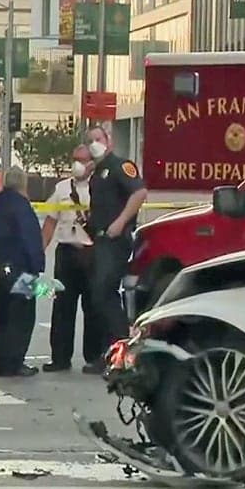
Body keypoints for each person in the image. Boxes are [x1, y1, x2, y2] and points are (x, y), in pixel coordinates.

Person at [85, 126, 147, 371]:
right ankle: (111, 353)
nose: (94, 144)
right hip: (99, 242)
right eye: (89, 140)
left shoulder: (120, 166)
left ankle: (123, 352)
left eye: (98, 139)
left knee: (104, 293)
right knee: (99, 297)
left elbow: (139, 192)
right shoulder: (97, 172)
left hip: (114, 241)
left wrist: (120, 223)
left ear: (108, 140)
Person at [40, 144, 100, 373]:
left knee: (93, 308)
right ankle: (60, 358)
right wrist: (39, 252)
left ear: (92, 163)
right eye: (74, 159)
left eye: (82, 160)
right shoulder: (62, 188)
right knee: (62, 307)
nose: (77, 164)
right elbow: (50, 222)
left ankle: (94, 357)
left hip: (91, 253)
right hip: (66, 252)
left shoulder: (101, 187)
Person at [0, 167, 43, 378]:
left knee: (1, 316)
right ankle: (15, 363)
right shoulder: (23, 209)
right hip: (20, 270)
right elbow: (31, 240)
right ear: (23, 184)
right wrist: (36, 267)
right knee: (21, 318)